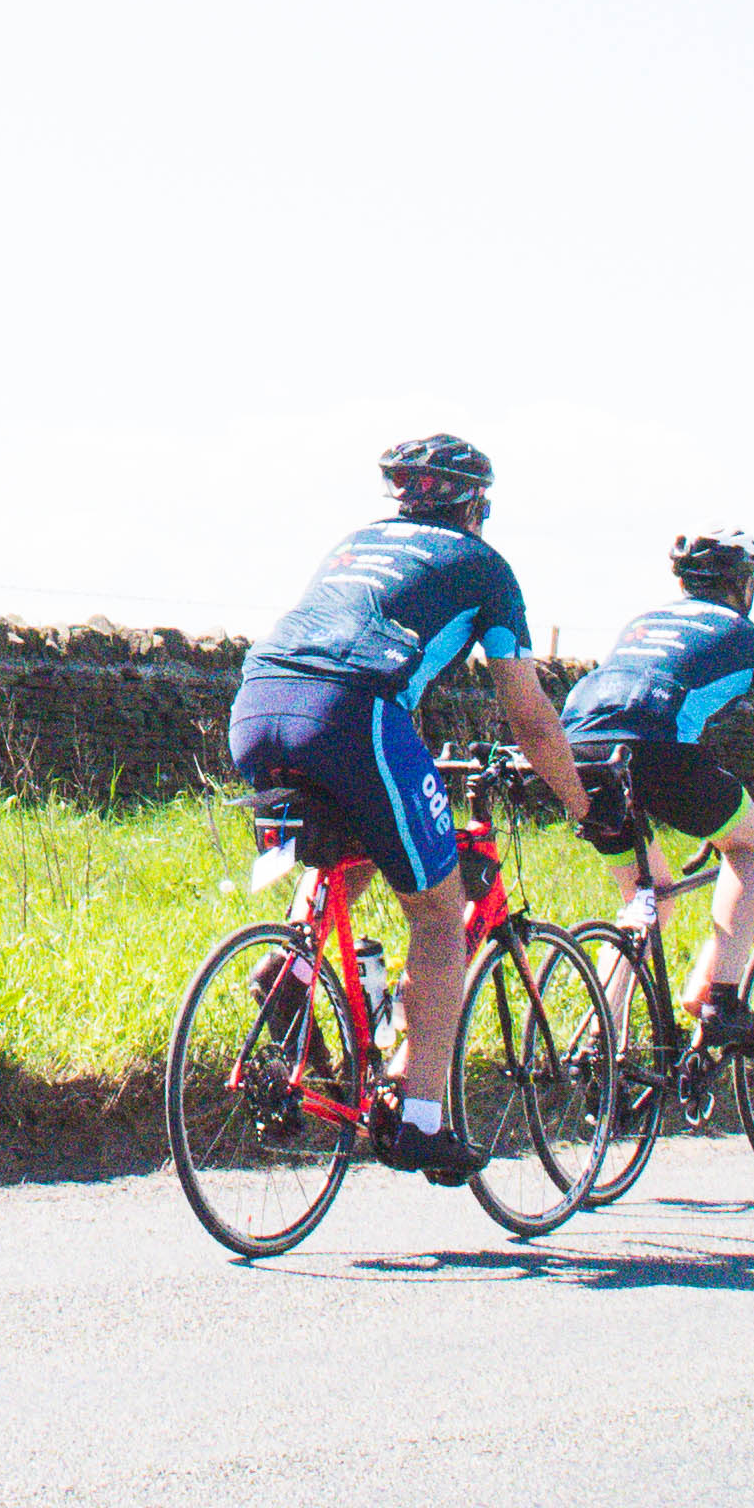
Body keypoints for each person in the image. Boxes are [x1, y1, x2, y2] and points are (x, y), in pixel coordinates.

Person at [224, 429, 583, 1181]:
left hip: (257, 702)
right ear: (476, 506)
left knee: (348, 843)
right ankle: (422, 1120)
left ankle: (292, 966)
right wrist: (583, 806)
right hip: (355, 711)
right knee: (436, 913)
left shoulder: (356, 543)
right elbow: (531, 717)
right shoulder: (485, 566)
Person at [562, 530, 754, 1054]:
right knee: (749, 846)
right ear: (744, 586)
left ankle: (602, 1042)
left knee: (649, 895)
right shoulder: (752, 642)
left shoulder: (642, 623)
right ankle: (721, 1003)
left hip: (577, 752)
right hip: (656, 751)